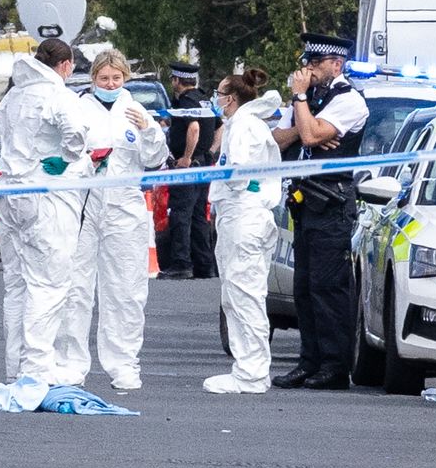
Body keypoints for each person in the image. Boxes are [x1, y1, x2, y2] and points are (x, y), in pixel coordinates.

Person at [54, 49, 168, 390]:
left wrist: (149, 130)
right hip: (84, 204)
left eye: (116, 78)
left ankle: (124, 362)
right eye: (104, 79)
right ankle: (71, 362)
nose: (110, 83)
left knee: (126, 289)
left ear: (125, 79)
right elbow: (63, 151)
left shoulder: (135, 111)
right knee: (76, 286)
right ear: (93, 80)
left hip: (124, 204)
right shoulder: (79, 108)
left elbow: (155, 159)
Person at [0, 38, 88, 384]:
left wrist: (18, 154)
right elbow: (76, 134)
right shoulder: (59, 95)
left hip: (9, 194)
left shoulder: (15, 95)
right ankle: (37, 368)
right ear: (65, 65)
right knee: (48, 284)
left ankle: (16, 367)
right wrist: (65, 157)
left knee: (16, 285)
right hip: (45, 197)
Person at [271, 33, 369, 391]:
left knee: (328, 288)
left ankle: (334, 365)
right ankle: (309, 361)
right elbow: (279, 141)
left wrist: (303, 115)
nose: (307, 71)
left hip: (332, 202)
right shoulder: (312, 99)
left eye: (315, 65)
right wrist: (305, 122)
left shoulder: (349, 100)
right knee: (305, 288)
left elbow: (311, 138)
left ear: (336, 65)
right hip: (304, 201)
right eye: (306, 64)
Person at [202, 70, 282, 393]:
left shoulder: (244, 126)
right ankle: (249, 368)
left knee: (244, 293)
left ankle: (251, 373)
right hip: (241, 215)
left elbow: (238, 173)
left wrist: (224, 173)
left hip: (244, 216)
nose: (216, 99)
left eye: (219, 94)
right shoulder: (243, 124)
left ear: (230, 99)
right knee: (238, 294)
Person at [159, 61, 220, 279]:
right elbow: (220, 126)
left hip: (189, 166)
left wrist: (186, 157)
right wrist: (210, 152)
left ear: (176, 80)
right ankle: (205, 266)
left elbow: (193, 127)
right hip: (203, 164)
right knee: (198, 216)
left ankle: (181, 263)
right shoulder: (204, 100)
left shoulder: (185, 102)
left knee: (180, 214)